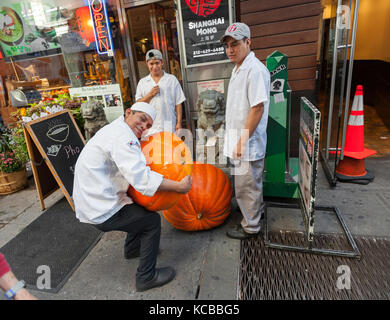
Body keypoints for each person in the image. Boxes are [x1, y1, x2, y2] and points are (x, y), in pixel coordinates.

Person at [72, 102, 192, 292]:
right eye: (142, 119)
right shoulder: (123, 137)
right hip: (100, 207)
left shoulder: (117, 129)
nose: (144, 127)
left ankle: (133, 249)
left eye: (148, 125)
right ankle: (146, 277)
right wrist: (178, 186)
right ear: (129, 112)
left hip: (95, 198)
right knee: (151, 222)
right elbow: (142, 178)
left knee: (140, 209)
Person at [221, 22, 270, 240]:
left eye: (235, 44)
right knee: (247, 183)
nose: (230, 50)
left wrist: (241, 141)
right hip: (240, 138)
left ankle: (251, 226)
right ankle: (254, 212)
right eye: (228, 46)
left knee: (246, 184)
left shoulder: (255, 69)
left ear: (248, 42)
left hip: (247, 141)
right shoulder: (239, 67)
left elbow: (257, 108)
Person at [135, 49, 186, 137]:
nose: (154, 67)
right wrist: (150, 95)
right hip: (149, 126)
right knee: (152, 149)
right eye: (151, 63)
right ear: (147, 64)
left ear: (162, 62)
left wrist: (179, 123)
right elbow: (138, 104)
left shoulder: (171, 79)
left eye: (157, 63)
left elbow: (178, 103)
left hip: (168, 123)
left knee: (169, 148)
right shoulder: (142, 82)